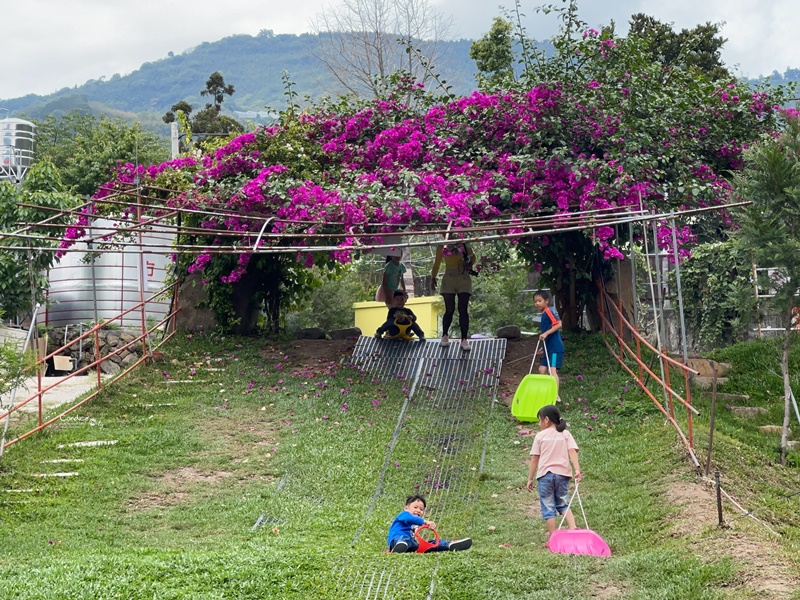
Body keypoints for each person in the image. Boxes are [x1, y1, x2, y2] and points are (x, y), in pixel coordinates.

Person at [526, 404, 583, 537]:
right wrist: (577, 470)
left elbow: (535, 459)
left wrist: (530, 478)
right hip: (563, 475)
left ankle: (553, 536)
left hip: (545, 476)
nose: (539, 423)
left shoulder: (540, 436)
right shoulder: (565, 434)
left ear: (546, 420)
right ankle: (573, 527)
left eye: (539, 420)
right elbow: (572, 452)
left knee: (548, 506)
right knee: (562, 503)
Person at [387, 494, 472, 553]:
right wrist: (425, 521)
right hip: (397, 540)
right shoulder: (404, 514)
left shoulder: (414, 524)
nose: (418, 510)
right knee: (405, 539)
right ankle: (400, 546)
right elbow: (410, 518)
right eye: (415, 507)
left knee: (430, 543)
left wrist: (428, 526)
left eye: (421, 509)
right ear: (406, 508)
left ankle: (449, 545)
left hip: (411, 544)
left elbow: (416, 528)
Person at [431, 242, 476, 351]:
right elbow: (437, 263)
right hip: (449, 276)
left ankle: (464, 339)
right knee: (449, 309)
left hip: (463, 276)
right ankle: (445, 335)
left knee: (463, 309)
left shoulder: (465, 243)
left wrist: (469, 264)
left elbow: (473, 257)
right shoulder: (442, 246)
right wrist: (433, 277)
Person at [534, 290, 564, 398]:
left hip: (555, 348)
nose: (537, 303)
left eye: (539, 301)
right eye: (535, 301)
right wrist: (543, 347)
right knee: (542, 370)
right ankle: (546, 391)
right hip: (548, 348)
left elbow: (559, 324)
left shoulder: (548, 312)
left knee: (552, 371)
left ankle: (555, 395)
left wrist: (545, 333)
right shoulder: (543, 314)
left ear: (546, 301)